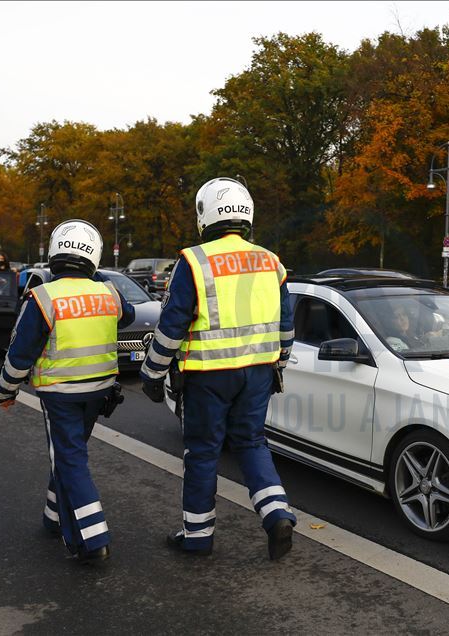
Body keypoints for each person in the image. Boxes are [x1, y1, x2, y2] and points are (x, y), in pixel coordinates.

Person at [140, 177, 297, 560]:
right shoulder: (270, 261)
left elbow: (172, 325)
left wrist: (152, 373)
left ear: (206, 214)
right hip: (258, 372)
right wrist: (278, 363)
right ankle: (277, 514)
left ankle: (198, 536)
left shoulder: (194, 261)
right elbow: (286, 326)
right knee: (252, 443)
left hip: (207, 375)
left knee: (202, 452)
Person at [0, 220, 134, 564]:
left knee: (70, 459)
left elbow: (20, 354)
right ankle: (53, 518)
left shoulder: (43, 297)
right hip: (99, 391)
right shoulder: (108, 292)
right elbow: (126, 316)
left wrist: (4, 391)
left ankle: (93, 539)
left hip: (60, 393)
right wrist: (97, 280)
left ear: (55, 252)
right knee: (68, 454)